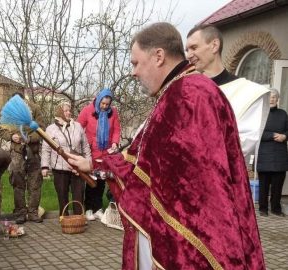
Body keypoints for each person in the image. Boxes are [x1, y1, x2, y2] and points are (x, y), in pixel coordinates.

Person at [68, 22, 265, 269]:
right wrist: (94, 163)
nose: (133, 73)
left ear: (158, 56)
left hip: (194, 234)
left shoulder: (189, 94)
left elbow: (184, 180)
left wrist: (99, 164)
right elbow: (145, 158)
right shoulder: (179, 90)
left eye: (136, 63)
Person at [186, 24, 270, 161]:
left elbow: (241, 146)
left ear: (214, 45)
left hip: (223, 177)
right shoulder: (186, 90)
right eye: (187, 50)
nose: (189, 55)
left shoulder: (247, 92)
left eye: (194, 48)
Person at [0, 93, 44, 224]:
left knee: (35, 182)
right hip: (17, 153)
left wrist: (30, 138)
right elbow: (1, 130)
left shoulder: (34, 109)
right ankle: (20, 212)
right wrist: (11, 137)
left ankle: (33, 212)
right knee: (17, 183)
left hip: (33, 151)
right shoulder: (9, 112)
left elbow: (42, 129)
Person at [77, 88, 121, 221]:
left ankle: (98, 208)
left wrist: (114, 143)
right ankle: (89, 208)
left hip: (106, 153)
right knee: (91, 180)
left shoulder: (113, 113)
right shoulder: (87, 110)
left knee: (102, 180)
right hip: (91, 152)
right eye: (103, 104)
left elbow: (117, 130)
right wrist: (83, 144)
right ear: (99, 100)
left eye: (107, 104)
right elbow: (78, 127)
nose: (105, 106)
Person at [41, 102, 91, 216]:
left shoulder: (77, 126)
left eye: (69, 110)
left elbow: (85, 147)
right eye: (66, 111)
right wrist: (45, 166)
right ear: (59, 112)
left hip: (77, 167)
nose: (69, 113)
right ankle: (64, 218)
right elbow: (46, 149)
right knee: (62, 195)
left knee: (79, 194)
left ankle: (79, 218)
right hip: (60, 168)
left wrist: (88, 163)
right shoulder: (51, 129)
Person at [257, 88, 288, 217]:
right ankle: (263, 208)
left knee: (278, 184)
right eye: (270, 97)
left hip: (280, 154)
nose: (272, 99)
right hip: (265, 154)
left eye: (274, 97)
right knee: (264, 184)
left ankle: (276, 208)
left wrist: (285, 136)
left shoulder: (283, 113)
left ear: (277, 99)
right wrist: (273, 135)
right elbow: (257, 133)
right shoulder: (260, 113)